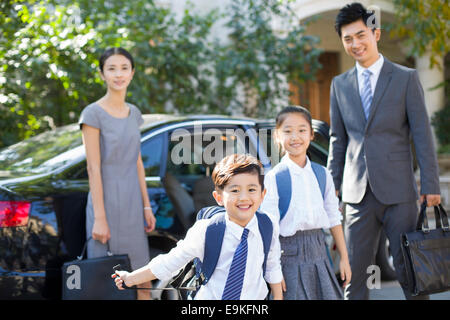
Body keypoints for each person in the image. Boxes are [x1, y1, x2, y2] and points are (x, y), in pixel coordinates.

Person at [328, 3, 441, 300]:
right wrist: (330, 186)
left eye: (361, 35)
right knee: (353, 277)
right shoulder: (339, 84)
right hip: (356, 196)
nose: (355, 44)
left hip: (399, 193)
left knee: (411, 273)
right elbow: (337, 140)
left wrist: (430, 184)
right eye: (347, 38)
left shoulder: (405, 78)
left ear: (376, 33)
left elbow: (422, 134)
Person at [113, 154, 284, 300]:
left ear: (263, 195)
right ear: (218, 198)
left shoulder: (267, 225)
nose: (244, 197)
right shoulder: (206, 230)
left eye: (252, 189)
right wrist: (130, 278)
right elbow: (169, 262)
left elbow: (272, 266)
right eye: (235, 190)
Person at [79, 47, 156, 300]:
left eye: (124, 68)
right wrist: (99, 218)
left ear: (132, 73)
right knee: (106, 283)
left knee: (142, 278)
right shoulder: (92, 113)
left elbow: (137, 162)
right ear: (102, 73)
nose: (118, 74)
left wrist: (146, 207)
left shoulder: (134, 113)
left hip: (133, 204)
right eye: (111, 68)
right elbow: (93, 168)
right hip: (106, 204)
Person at [260, 106, 351, 300]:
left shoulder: (322, 174)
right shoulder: (274, 178)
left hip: (320, 256)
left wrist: (344, 257)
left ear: (311, 135)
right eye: (287, 131)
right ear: (277, 136)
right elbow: (271, 230)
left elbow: (334, 217)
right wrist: (274, 274)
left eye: (302, 130)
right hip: (287, 260)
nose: (295, 137)